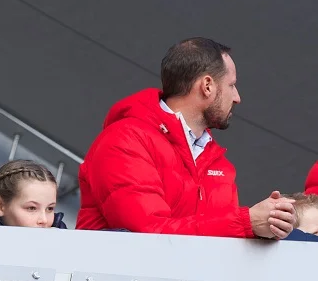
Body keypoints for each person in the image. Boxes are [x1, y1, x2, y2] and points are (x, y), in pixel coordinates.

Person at [76, 37, 296, 239]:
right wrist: (247, 223)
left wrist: (268, 225)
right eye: (231, 85)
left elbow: (218, 243)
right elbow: (146, 235)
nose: (237, 98)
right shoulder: (124, 140)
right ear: (207, 86)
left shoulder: (220, 164)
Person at [0, 160, 67, 228]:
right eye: (32, 208)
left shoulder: (64, 238)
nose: (44, 220)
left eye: (50, 208)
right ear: (0, 206)